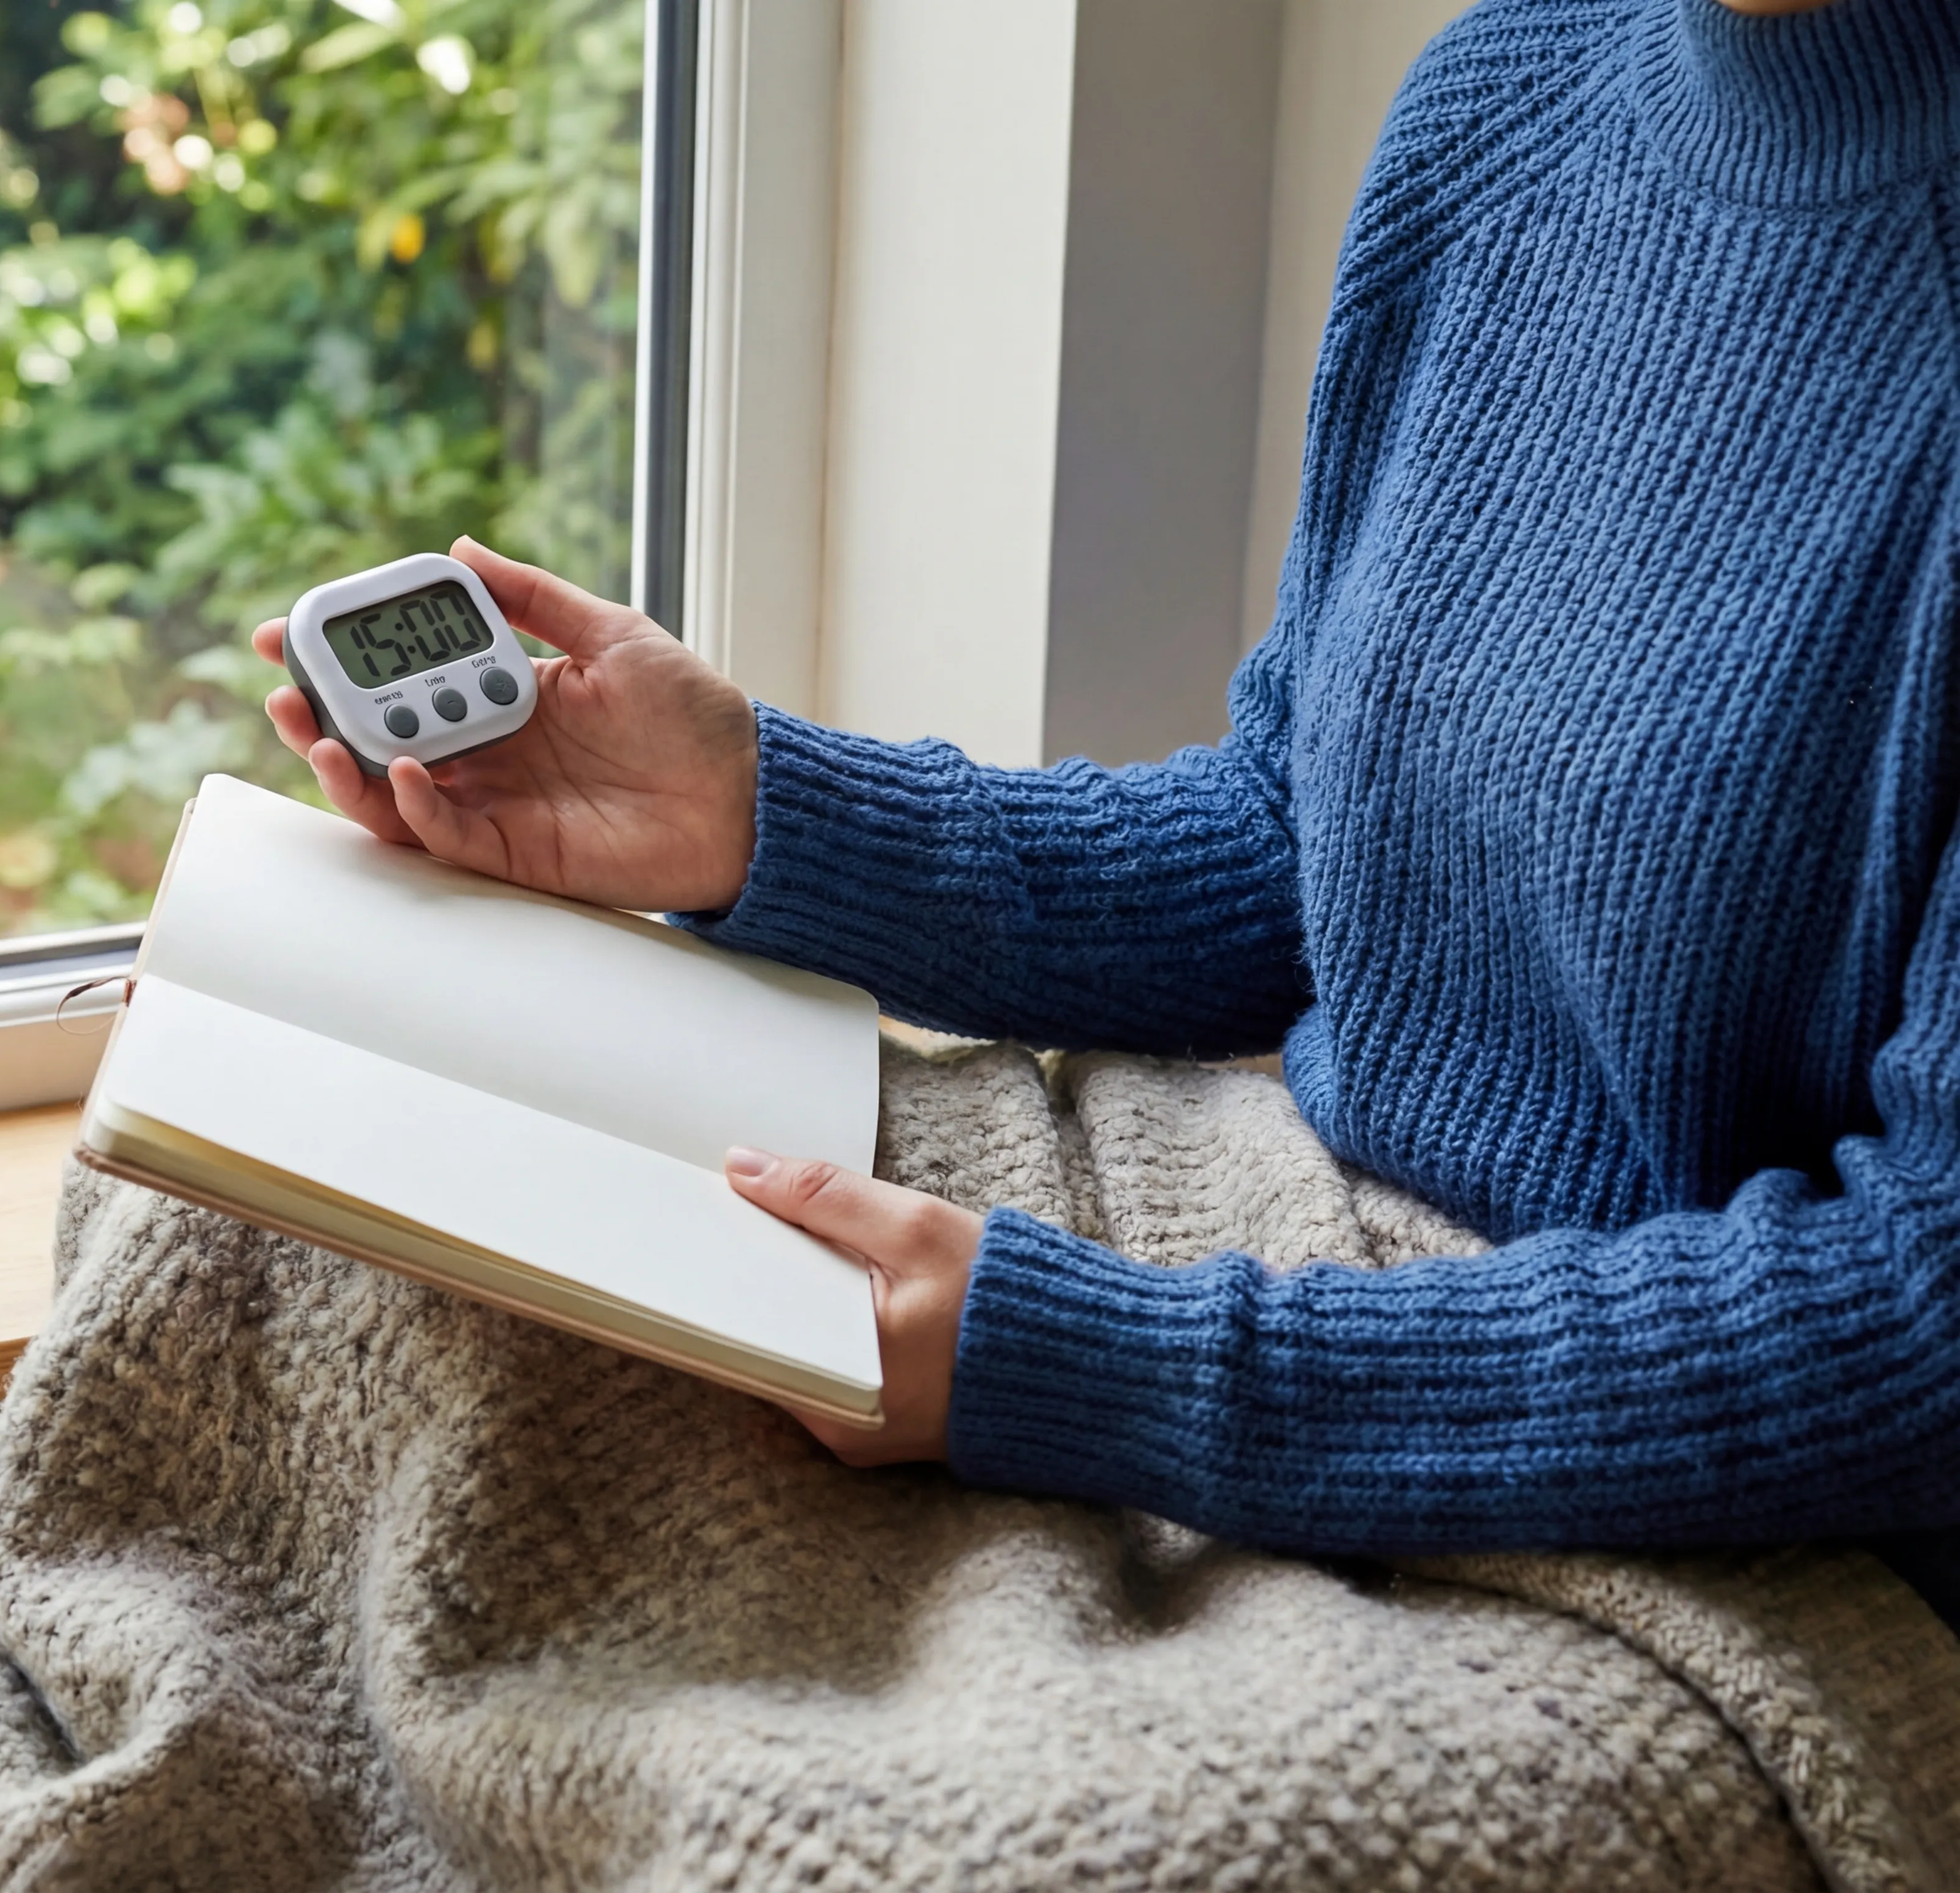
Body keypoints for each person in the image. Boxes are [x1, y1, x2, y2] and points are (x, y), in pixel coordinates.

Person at [253, 0, 1959, 1620]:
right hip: (1277, 1227)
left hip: (1704, 1479)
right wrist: (764, 813)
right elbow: (1316, 849)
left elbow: (1925, 1316)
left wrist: (1102, 1369)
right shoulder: (1507, 104)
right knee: (286, 1264)